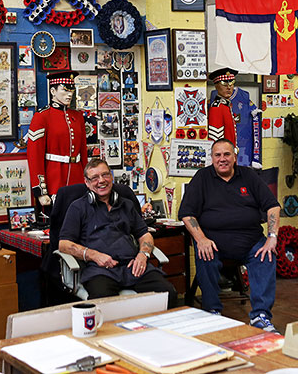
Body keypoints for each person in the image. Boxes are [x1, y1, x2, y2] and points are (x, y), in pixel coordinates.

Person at [178, 139, 281, 333]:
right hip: (214, 242)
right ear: (212, 158)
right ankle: (212, 312)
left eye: (227, 155)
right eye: (218, 155)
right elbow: (187, 213)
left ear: (235, 156)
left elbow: (272, 206)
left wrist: (272, 237)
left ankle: (261, 316)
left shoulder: (249, 176)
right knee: (204, 254)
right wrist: (201, 239)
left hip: (250, 241)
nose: (222, 159)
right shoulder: (202, 177)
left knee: (266, 255)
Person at [58, 159, 177, 306]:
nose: (101, 181)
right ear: (87, 183)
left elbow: (145, 234)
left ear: (111, 177)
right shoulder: (77, 208)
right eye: (94, 178)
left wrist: (143, 255)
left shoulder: (126, 204)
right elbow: (64, 244)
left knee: (168, 294)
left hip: (133, 266)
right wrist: (94, 255)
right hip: (100, 270)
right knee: (104, 304)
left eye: (105, 175)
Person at [27, 71, 87, 211]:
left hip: (77, 179)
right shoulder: (42, 116)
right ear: (53, 91)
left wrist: (88, 181)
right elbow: (34, 156)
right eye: (64, 89)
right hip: (54, 179)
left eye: (71, 89)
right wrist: (41, 191)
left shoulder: (77, 116)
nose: (69, 94)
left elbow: (83, 152)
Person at [207, 68, 238, 145]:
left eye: (231, 83)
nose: (229, 87)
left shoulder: (226, 105)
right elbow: (216, 140)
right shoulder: (216, 108)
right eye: (224, 84)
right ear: (216, 86)